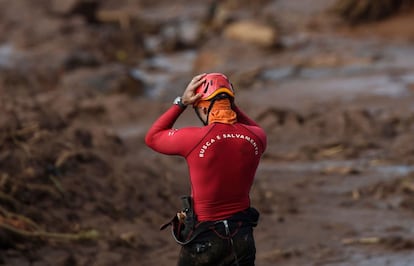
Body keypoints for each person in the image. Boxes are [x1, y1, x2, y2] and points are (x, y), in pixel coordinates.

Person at [145, 73, 267, 266]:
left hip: (205, 239)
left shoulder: (194, 139)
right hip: (242, 238)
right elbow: (251, 126)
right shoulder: (257, 137)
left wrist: (181, 102)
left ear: (202, 107)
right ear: (230, 103)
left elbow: (152, 137)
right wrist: (228, 103)